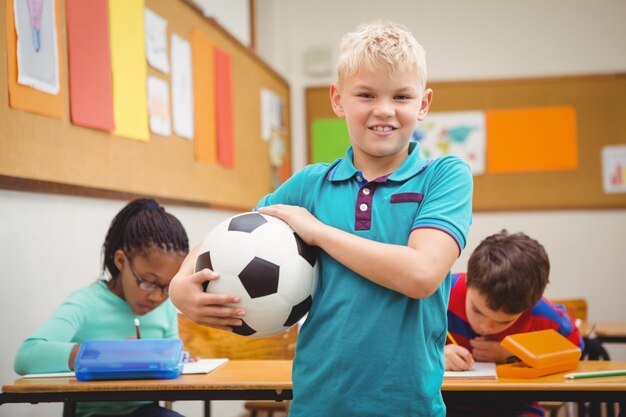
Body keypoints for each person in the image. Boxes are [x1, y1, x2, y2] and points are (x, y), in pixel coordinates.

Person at [169, 21, 473, 417]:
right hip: (317, 403)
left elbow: (420, 275)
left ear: (424, 103)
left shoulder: (445, 176)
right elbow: (234, 233)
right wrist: (180, 284)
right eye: (365, 94)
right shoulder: (311, 185)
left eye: (401, 95)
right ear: (338, 99)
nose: (384, 109)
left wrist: (318, 232)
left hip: (408, 405)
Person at [14, 198, 189, 417]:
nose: (156, 296)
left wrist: (176, 357)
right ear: (121, 261)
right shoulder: (87, 303)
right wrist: (107, 353)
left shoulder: (165, 308)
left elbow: (170, 377)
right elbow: (26, 356)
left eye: (167, 287)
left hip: (145, 411)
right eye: (148, 282)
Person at [445, 230, 583, 417]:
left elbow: (574, 349)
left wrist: (512, 354)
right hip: (446, 407)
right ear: (469, 280)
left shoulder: (542, 314)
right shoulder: (442, 295)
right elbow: (399, 342)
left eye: (503, 322)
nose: (484, 327)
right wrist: (436, 355)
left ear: (529, 307)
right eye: (477, 310)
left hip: (516, 409)